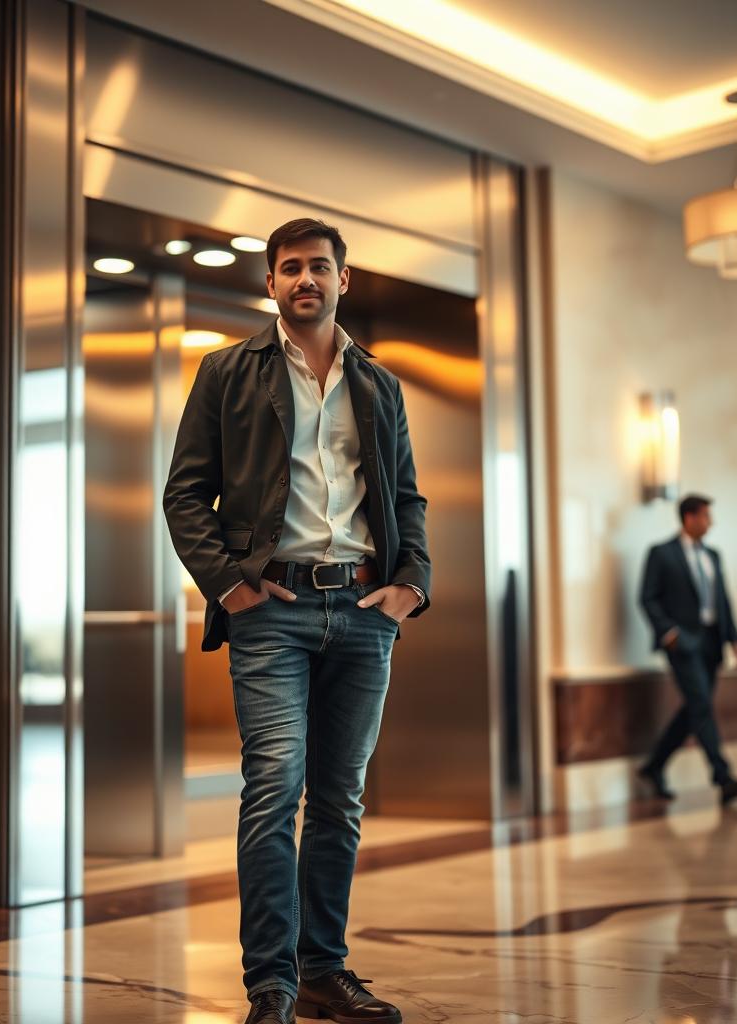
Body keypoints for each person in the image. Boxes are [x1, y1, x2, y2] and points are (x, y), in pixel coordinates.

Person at [163, 218, 430, 1024]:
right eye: (290, 269)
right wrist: (230, 586)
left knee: (340, 798)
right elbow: (185, 494)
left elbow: (407, 497)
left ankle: (323, 971)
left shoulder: (380, 385)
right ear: (270, 285)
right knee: (274, 788)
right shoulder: (226, 372)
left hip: (362, 609)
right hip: (270, 610)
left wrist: (410, 583)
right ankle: (270, 983)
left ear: (344, 279)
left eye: (319, 267)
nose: (305, 279)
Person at [637, 494, 737, 806]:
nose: (711, 522)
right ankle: (723, 777)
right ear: (688, 518)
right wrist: (669, 632)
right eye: (706, 516)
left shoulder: (713, 556)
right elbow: (647, 597)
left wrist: (735, 640)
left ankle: (654, 766)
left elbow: (723, 600)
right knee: (701, 704)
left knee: (695, 708)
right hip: (683, 642)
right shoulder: (662, 553)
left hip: (711, 640)